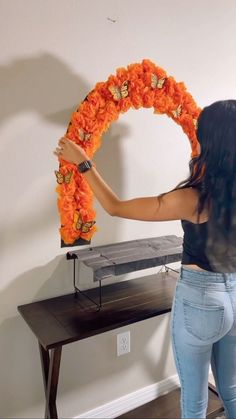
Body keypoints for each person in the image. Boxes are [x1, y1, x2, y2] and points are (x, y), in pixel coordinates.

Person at [54, 100, 236, 419]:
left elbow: (116, 207)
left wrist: (84, 163)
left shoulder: (192, 199)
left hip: (201, 301)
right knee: (232, 391)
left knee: (194, 403)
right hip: (234, 296)